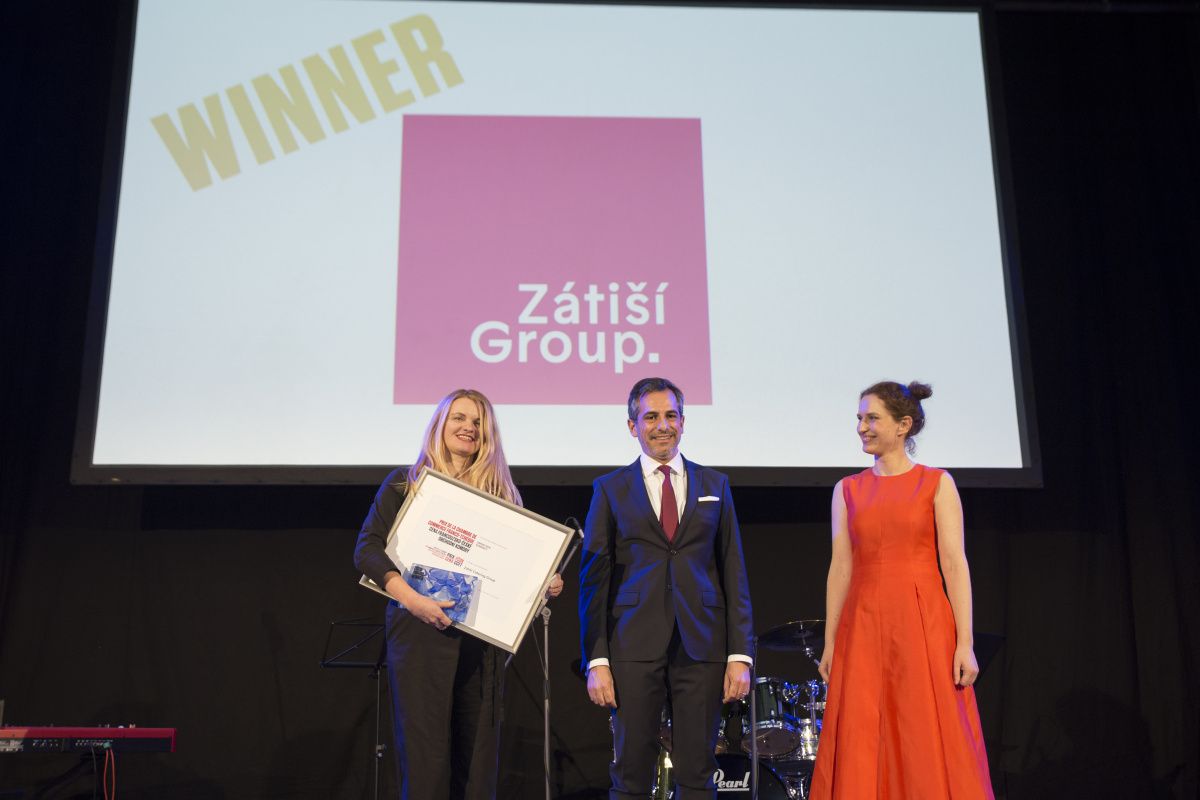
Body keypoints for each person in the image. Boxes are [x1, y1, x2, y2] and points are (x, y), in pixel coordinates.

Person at [354, 388, 563, 800]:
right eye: (459, 418)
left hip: (481, 644)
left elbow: (515, 572)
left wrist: (543, 582)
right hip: (419, 635)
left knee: (478, 765)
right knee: (426, 763)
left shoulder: (502, 497)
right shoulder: (406, 484)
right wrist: (411, 598)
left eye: (478, 422)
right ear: (440, 424)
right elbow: (367, 550)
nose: (469, 428)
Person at [809, 381, 993, 799]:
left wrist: (965, 643)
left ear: (903, 425)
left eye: (872, 418)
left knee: (920, 725)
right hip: (863, 624)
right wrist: (831, 642)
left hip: (921, 621)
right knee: (863, 730)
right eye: (860, 418)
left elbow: (954, 564)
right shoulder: (847, 489)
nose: (862, 427)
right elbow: (841, 567)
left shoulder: (936, 483)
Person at [579, 377, 754, 800]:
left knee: (698, 772)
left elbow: (734, 571)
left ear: (683, 421)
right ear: (632, 426)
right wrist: (596, 660)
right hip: (632, 645)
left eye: (671, 415)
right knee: (631, 774)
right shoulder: (610, 489)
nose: (662, 425)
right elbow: (593, 582)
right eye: (651, 417)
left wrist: (740, 654)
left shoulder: (715, 485)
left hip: (703, 645)